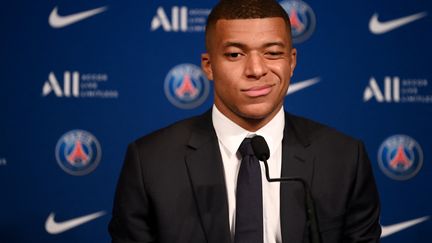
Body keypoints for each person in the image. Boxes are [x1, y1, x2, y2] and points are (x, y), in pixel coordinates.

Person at [108, 0, 381, 242]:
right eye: (235, 55)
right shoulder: (150, 162)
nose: (256, 70)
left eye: (272, 52)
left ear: (292, 62)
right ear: (208, 65)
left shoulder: (345, 158)